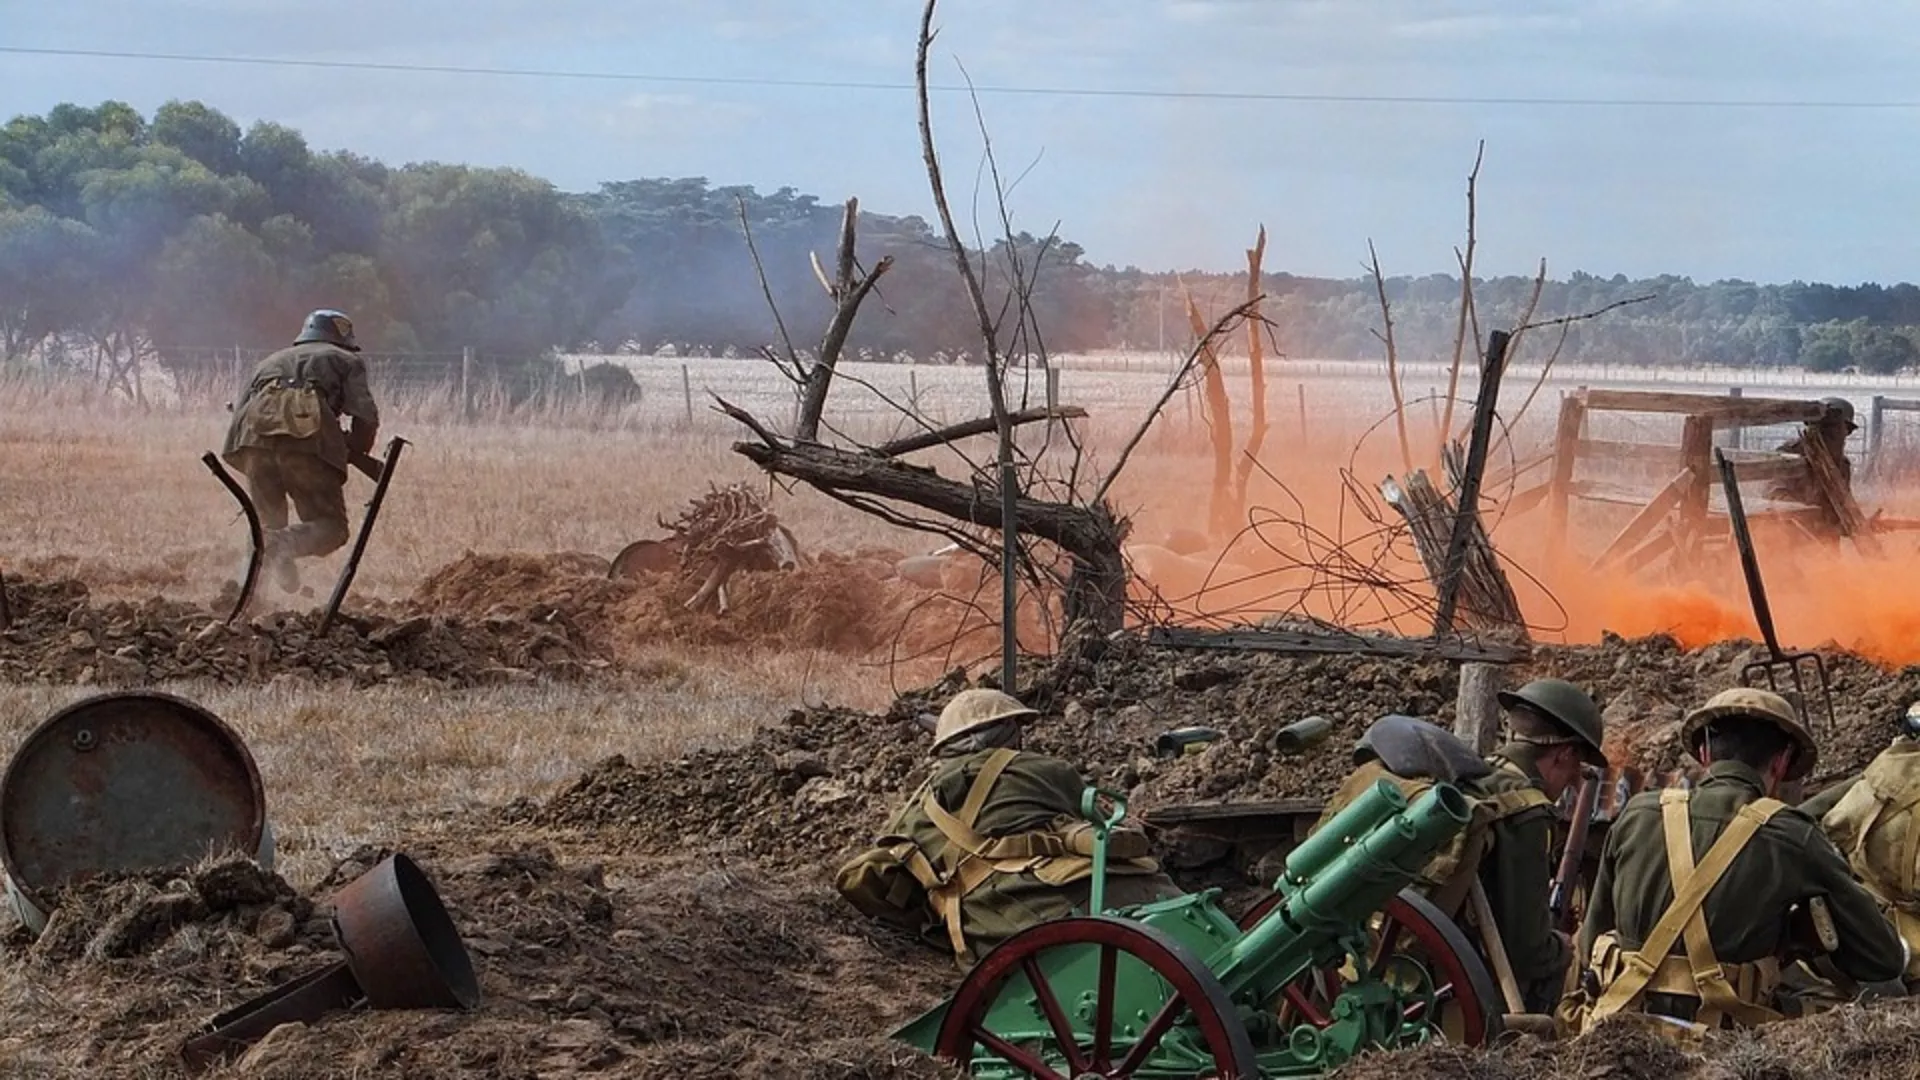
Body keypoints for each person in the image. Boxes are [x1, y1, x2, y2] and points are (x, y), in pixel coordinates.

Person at [1567, 687, 1904, 1035]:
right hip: (1724, 1034)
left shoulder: (1638, 813)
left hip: (1621, 1024)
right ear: (1782, 761)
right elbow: (1883, 959)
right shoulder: (1794, 834)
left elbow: (1591, 942)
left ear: (1704, 753)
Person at [1311, 677, 1606, 1015]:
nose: (1573, 780)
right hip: (1437, 991)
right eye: (1576, 768)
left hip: (1362, 945)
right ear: (1565, 753)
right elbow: (1525, 950)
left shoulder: (1472, 777)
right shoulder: (1528, 813)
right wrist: (1561, 949)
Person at [834, 688, 1179, 967]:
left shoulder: (916, 808)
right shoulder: (1043, 770)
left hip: (997, 930)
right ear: (1011, 732)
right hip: (1081, 908)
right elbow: (1101, 823)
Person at [220, 309, 379, 593]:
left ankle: (247, 592)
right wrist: (354, 448)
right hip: (308, 447)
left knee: (265, 523)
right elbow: (365, 417)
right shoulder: (346, 360)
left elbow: (241, 412)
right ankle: (283, 545)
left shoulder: (270, 361)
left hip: (253, 445)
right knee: (332, 528)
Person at [1768, 397, 1857, 511]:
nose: (1826, 432)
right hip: (1792, 517)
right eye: (1824, 426)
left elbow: (1846, 501)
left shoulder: (1842, 465)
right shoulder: (1790, 454)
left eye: (1834, 427)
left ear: (1846, 431)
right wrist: (1806, 511)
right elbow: (1773, 493)